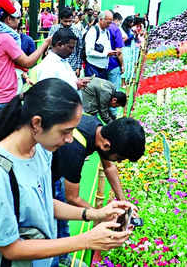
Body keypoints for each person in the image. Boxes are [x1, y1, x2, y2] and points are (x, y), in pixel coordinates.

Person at [0, 78, 134, 266]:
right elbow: (11, 248)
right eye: (66, 131)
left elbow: (44, 203)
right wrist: (86, 240)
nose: (70, 139)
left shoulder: (40, 150)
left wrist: (96, 214)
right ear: (37, 123)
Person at [51, 114, 145, 266]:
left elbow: (109, 167)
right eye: (119, 158)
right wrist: (101, 216)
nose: (119, 161)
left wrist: (122, 201)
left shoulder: (98, 128)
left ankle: (63, 257)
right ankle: (54, 260)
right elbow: (73, 198)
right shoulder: (74, 148)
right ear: (107, 146)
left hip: (58, 169)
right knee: (50, 221)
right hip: (47, 176)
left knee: (61, 221)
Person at [0, 9, 51, 135]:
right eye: (17, 18)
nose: (19, 21)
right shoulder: (6, 38)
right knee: (6, 139)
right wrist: (45, 44)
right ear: (8, 19)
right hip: (4, 98)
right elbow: (28, 62)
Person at [49, 7, 84, 76]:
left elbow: (80, 49)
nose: (68, 24)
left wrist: (78, 67)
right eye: (65, 21)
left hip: (72, 66)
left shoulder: (77, 31)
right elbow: (50, 47)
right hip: (56, 65)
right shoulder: (54, 29)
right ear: (60, 19)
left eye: (70, 21)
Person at [107, 12, 124, 96]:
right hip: (113, 64)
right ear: (117, 20)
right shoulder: (116, 30)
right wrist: (122, 65)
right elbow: (118, 52)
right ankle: (112, 109)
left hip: (101, 65)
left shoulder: (100, 28)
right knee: (114, 90)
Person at [120, 16, 135, 86]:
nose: (132, 23)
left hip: (129, 48)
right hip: (125, 48)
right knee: (125, 64)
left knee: (129, 64)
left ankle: (126, 80)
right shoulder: (122, 30)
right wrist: (129, 37)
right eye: (131, 22)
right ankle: (122, 82)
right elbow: (122, 40)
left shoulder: (129, 29)